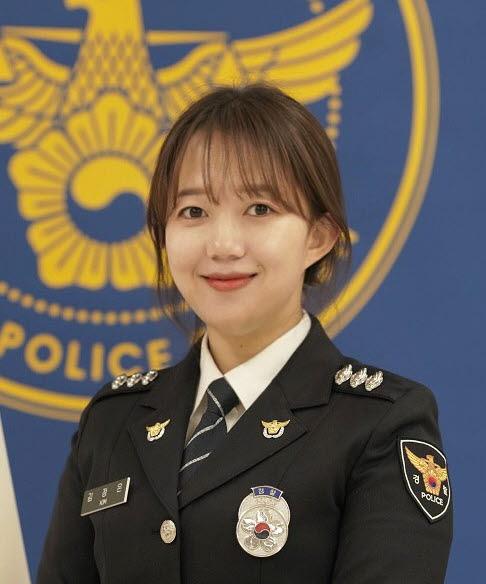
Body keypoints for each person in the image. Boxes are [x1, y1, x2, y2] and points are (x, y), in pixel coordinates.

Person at [36, 81, 452, 584]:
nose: (223, 244)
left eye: (260, 209)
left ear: (318, 236)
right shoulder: (111, 421)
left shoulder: (381, 424)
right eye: (193, 212)